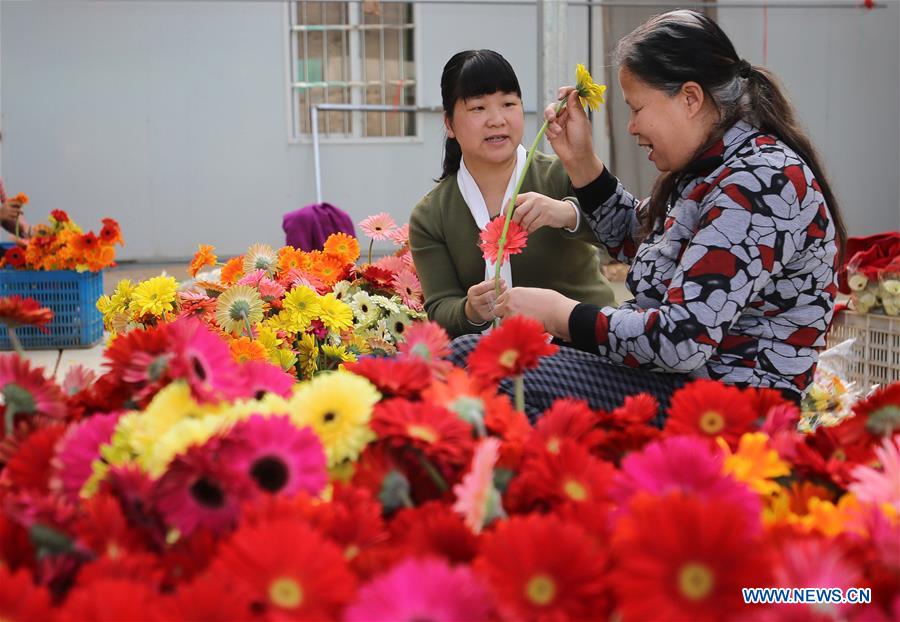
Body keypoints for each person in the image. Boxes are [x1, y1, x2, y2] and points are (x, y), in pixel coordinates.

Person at [451, 11, 846, 422]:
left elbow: (681, 339)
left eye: (637, 108)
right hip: (677, 381)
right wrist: (582, 162)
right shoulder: (714, 166)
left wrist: (561, 314)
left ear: (690, 98)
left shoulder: (761, 180)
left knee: (487, 370)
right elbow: (642, 240)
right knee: (474, 360)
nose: (632, 127)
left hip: (726, 407)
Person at [409, 49, 615, 338]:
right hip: (493, 357)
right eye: (478, 108)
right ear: (449, 124)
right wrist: (470, 310)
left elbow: (624, 230)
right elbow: (440, 308)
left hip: (582, 343)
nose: (497, 119)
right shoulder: (430, 216)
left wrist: (567, 214)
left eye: (508, 103)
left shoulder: (561, 174)